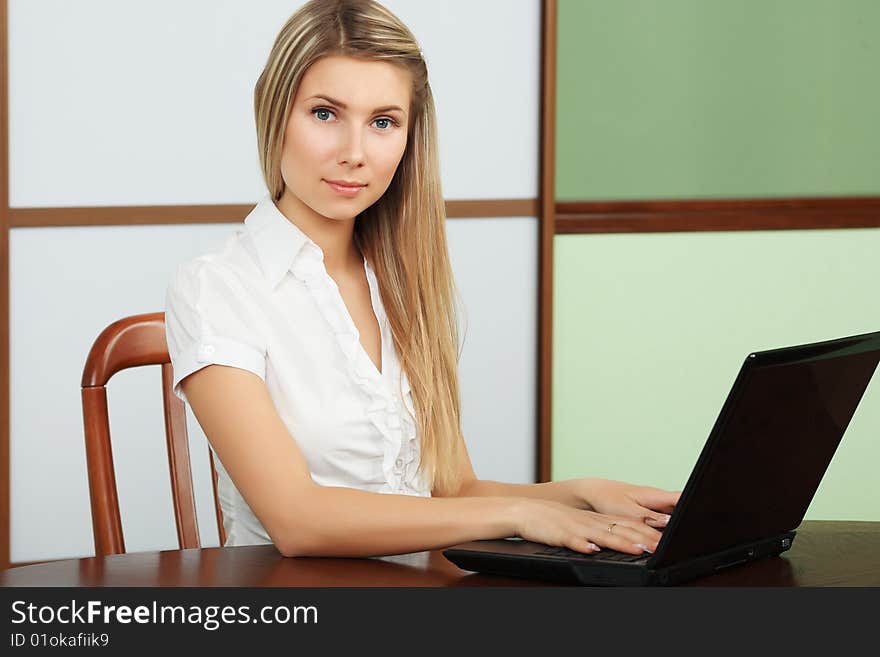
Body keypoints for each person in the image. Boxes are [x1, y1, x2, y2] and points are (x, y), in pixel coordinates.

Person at [165, 0, 679, 558]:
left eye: (383, 122)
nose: (355, 153)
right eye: (324, 113)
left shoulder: (403, 284)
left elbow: (453, 491)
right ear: (273, 112)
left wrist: (580, 495)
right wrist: (522, 514)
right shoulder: (215, 288)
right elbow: (298, 520)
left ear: (410, 138)